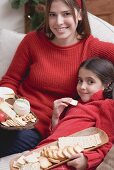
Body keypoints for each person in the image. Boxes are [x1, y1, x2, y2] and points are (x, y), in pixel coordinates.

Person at [1, 0, 114, 157]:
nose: (58, 22)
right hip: (12, 115)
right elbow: (10, 80)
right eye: (52, 15)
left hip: (38, 127)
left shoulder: (91, 47)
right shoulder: (32, 41)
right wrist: (6, 107)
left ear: (80, 15)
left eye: (66, 14)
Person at [10, 57, 114, 170]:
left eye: (90, 82)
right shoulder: (74, 105)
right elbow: (57, 137)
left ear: (107, 85)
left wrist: (87, 160)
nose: (82, 87)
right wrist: (56, 118)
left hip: (66, 162)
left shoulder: (106, 105)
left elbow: (107, 142)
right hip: (43, 152)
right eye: (80, 80)